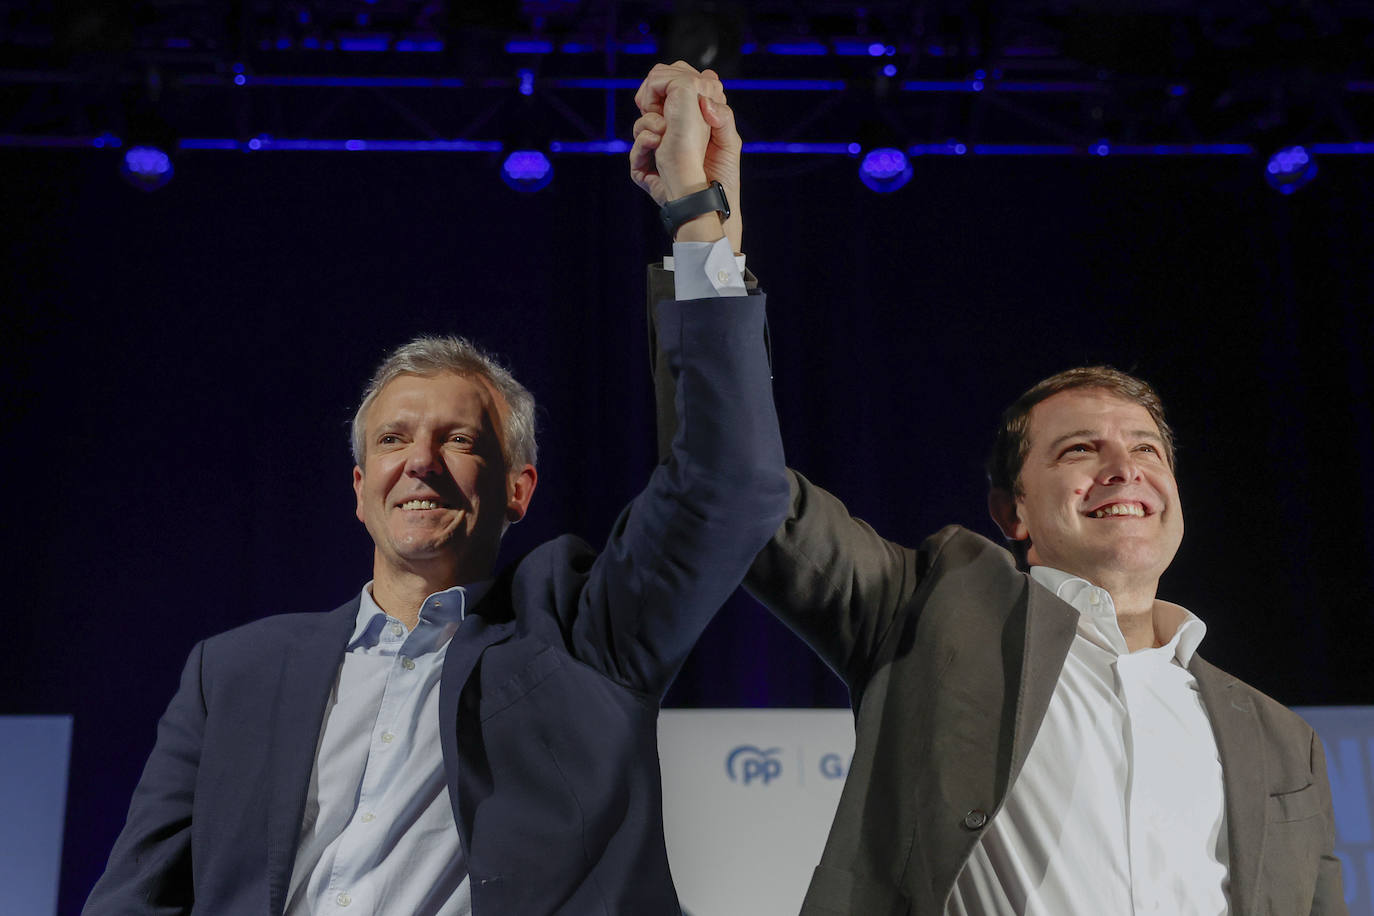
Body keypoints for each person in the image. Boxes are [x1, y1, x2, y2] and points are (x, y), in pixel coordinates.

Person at [633, 63, 1345, 915]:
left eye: (1148, 449)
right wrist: (701, 221)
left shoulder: (1282, 741)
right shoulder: (930, 614)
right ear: (1012, 513)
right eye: (1081, 449)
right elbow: (735, 480)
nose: (1126, 469)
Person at [84, 68, 788, 915]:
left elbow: (730, 486)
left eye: (459, 439)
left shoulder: (585, 635)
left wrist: (695, 215)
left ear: (518, 489)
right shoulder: (232, 674)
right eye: (392, 440)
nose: (419, 460)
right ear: (358, 488)